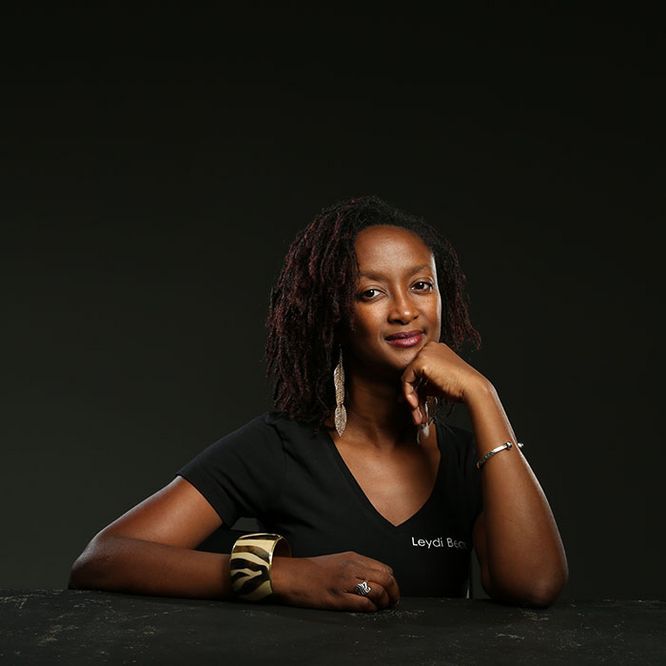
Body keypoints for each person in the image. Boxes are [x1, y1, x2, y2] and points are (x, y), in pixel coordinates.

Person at [69, 195, 568, 611]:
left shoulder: (470, 460)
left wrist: (484, 395)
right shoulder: (280, 448)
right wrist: (282, 576)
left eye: (421, 285)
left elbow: (535, 585)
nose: (404, 310)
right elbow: (103, 559)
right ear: (333, 315)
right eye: (370, 292)